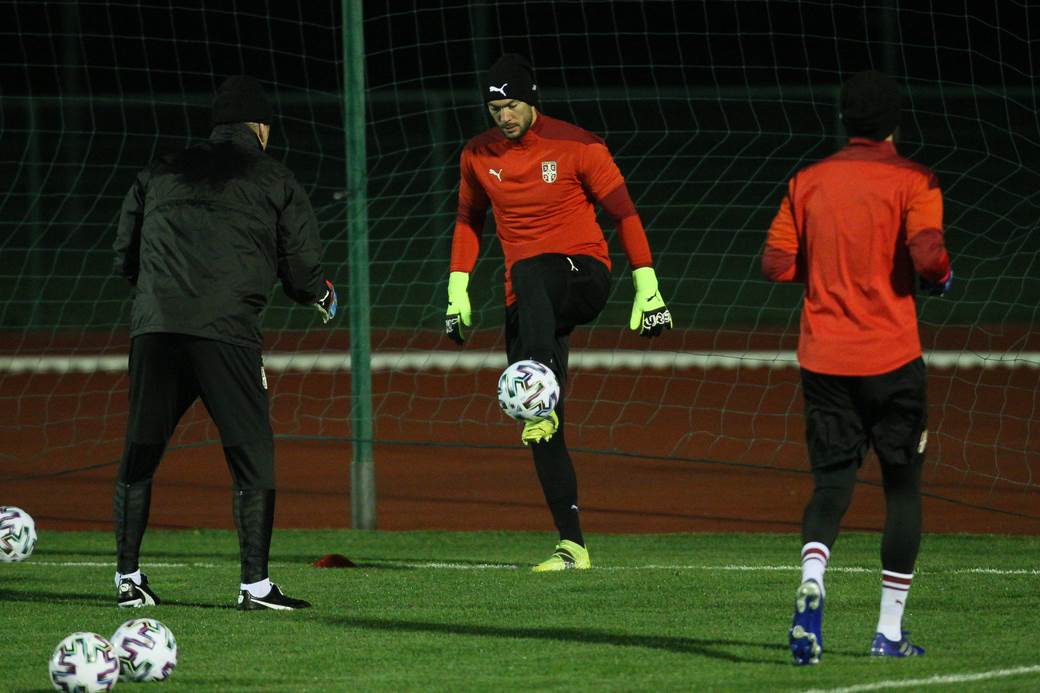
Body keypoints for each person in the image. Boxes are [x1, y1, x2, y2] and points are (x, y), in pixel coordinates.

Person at [112, 75, 337, 610]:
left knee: (139, 455)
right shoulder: (275, 178)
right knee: (252, 456)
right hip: (226, 333)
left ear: (217, 125)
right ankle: (255, 587)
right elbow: (304, 273)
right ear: (261, 127)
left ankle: (128, 581)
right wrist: (322, 294)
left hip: (156, 327)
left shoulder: (158, 171)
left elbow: (125, 256)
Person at [445, 54, 673, 571]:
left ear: (533, 100)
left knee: (529, 273)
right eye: (495, 107)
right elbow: (467, 220)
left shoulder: (580, 145)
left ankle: (540, 376)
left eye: (513, 105)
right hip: (527, 301)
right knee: (541, 420)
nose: (503, 116)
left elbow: (624, 213)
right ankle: (572, 545)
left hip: (583, 275)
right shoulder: (477, 154)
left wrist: (648, 286)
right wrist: (457, 288)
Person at [762, 70, 953, 663]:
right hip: (892, 358)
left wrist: (820, 275)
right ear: (896, 121)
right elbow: (928, 255)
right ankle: (888, 633)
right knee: (901, 489)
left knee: (831, 486)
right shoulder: (915, 179)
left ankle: (813, 574)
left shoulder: (807, 181)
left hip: (824, 359)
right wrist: (941, 279)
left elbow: (773, 262)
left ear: (844, 119)